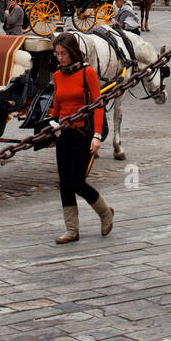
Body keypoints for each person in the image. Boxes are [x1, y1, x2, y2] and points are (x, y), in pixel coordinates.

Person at [48, 33, 114, 243]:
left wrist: (96, 135)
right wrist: (52, 126)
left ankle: (105, 212)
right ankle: (72, 229)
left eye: (63, 53)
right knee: (65, 182)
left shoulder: (88, 73)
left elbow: (97, 105)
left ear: (73, 52)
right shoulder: (57, 76)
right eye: (57, 54)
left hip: (83, 133)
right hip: (65, 133)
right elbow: (57, 107)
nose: (60, 57)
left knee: (76, 180)